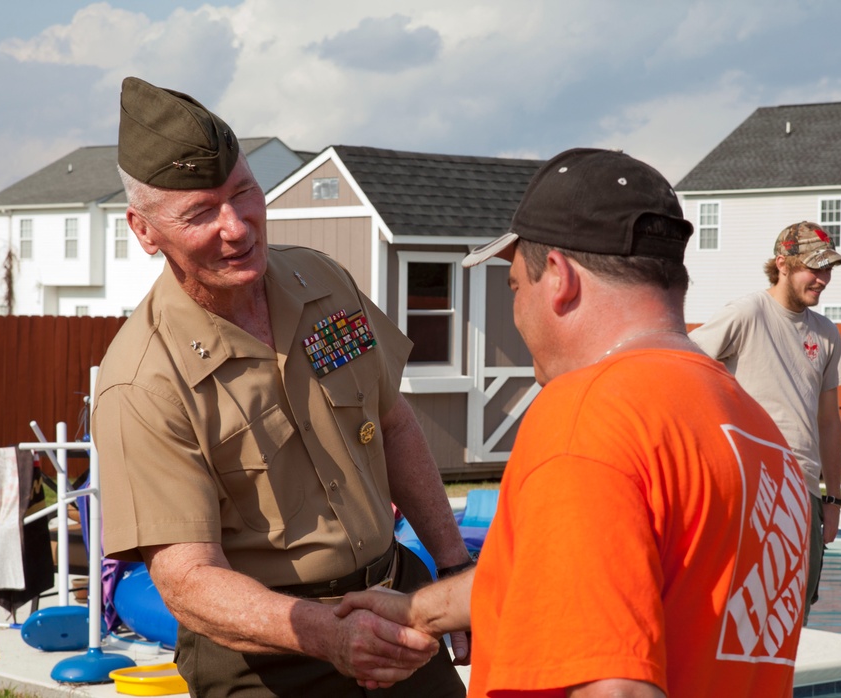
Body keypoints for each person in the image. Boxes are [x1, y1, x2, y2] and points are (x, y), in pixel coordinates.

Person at [338, 148, 811, 697]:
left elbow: (616, 687)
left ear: (558, 277)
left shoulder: (590, 413)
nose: (516, 312)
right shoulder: (754, 429)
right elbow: (587, 574)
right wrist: (420, 611)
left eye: (515, 286)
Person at [92, 76, 472, 697]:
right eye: (199, 214)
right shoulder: (144, 380)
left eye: (244, 194)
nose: (237, 226)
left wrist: (454, 564)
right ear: (143, 230)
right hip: (266, 658)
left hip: (393, 604)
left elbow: (392, 421)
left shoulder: (323, 284)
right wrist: (327, 635)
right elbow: (188, 580)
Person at [689, 221, 841, 624]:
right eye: (815, 268)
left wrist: (832, 500)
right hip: (750, 487)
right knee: (737, 613)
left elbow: (828, 423)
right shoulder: (746, 313)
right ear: (783, 263)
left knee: (792, 617)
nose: (824, 279)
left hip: (805, 492)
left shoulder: (826, 333)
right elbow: (685, 371)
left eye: (828, 269)